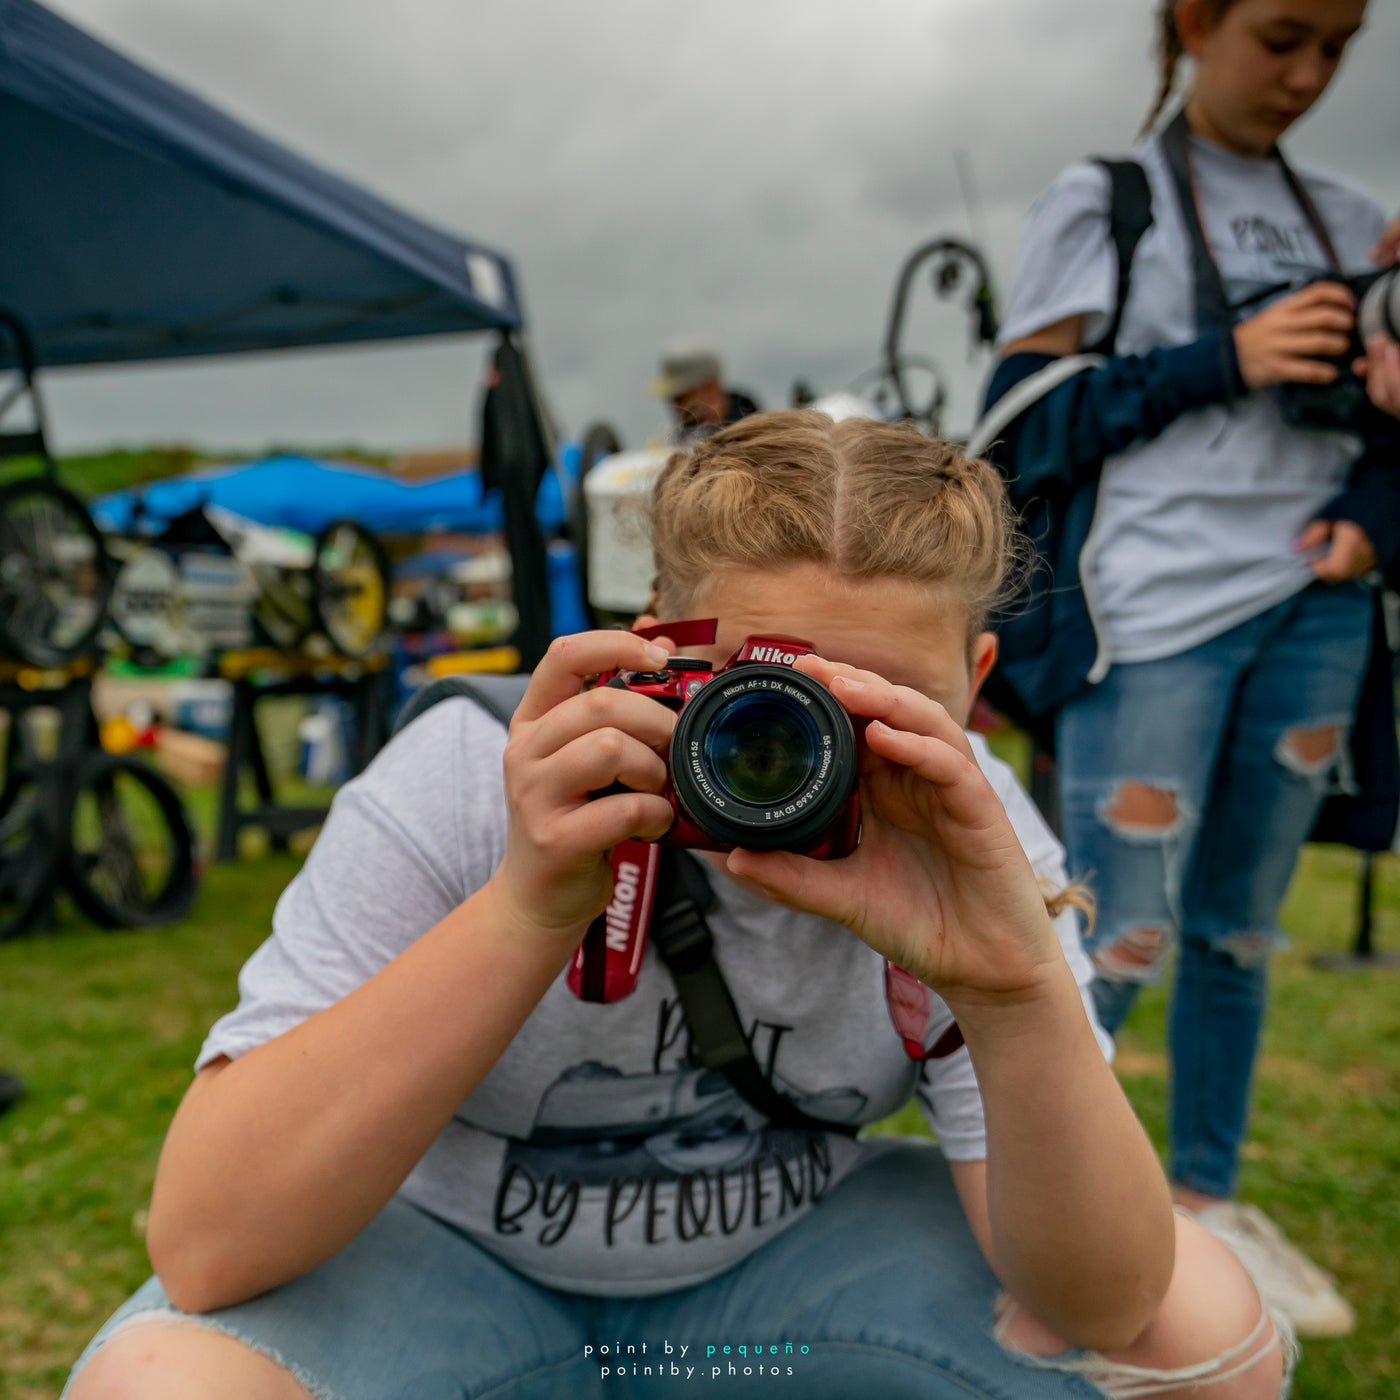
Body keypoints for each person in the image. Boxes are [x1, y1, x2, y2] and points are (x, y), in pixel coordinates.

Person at [66, 414, 1287, 1399]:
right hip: (458, 1281)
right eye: (763, 697)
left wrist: (1008, 990)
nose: (819, 752)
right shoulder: (465, 775)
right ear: (656, 656)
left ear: (972, 687)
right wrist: (527, 907)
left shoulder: (972, 833)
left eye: (883, 708)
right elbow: (208, 1241)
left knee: (1204, 1341)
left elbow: (1110, 1298)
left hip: (761, 1312)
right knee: (165, 1382)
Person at [980, 0, 1400, 1340]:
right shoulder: (1107, 201)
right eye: (1282, 34)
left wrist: (1373, 522)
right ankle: (1038, 1234)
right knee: (1115, 936)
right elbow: (1016, 418)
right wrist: (1226, 359)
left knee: (1238, 931)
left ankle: (1207, 1209)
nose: (1308, 72)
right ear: (1196, 19)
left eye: (1339, 44)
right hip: (1154, 612)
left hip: (1316, 606)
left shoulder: (1355, 212)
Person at [651, 341, 760, 442]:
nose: (675, 404)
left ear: (710, 386)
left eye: (682, 396)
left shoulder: (756, 432)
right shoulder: (680, 438)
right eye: (672, 397)